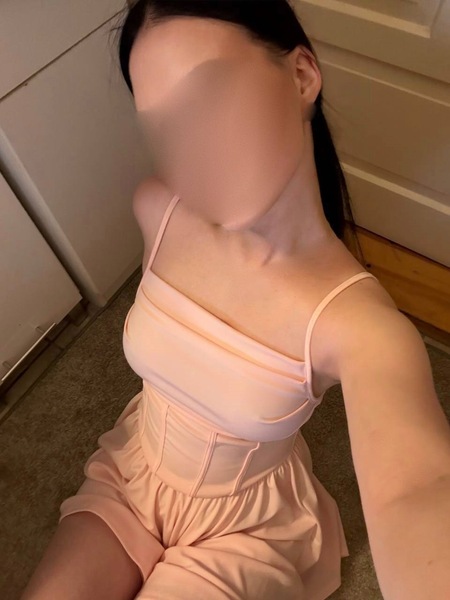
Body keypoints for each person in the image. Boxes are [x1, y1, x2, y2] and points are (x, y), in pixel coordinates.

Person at [21, 2, 450, 599]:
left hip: (244, 532)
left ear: (301, 75)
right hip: (131, 474)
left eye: (212, 93)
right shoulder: (158, 210)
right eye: (165, 124)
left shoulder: (359, 326)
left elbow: (417, 489)